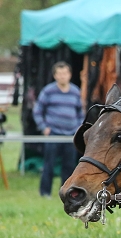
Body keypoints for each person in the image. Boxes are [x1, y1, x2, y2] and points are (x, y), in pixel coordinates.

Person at [33, 61, 84, 198]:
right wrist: (44, 128)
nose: (62, 76)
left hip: (70, 135)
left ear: (69, 75)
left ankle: (66, 193)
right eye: (59, 74)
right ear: (55, 76)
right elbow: (37, 110)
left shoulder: (75, 91)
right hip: (54, 134)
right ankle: (45, 193)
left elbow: (80, 113)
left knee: (69, 166)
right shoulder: (48, 91)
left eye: (65, 73)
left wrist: (78, 128)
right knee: (49, 165)